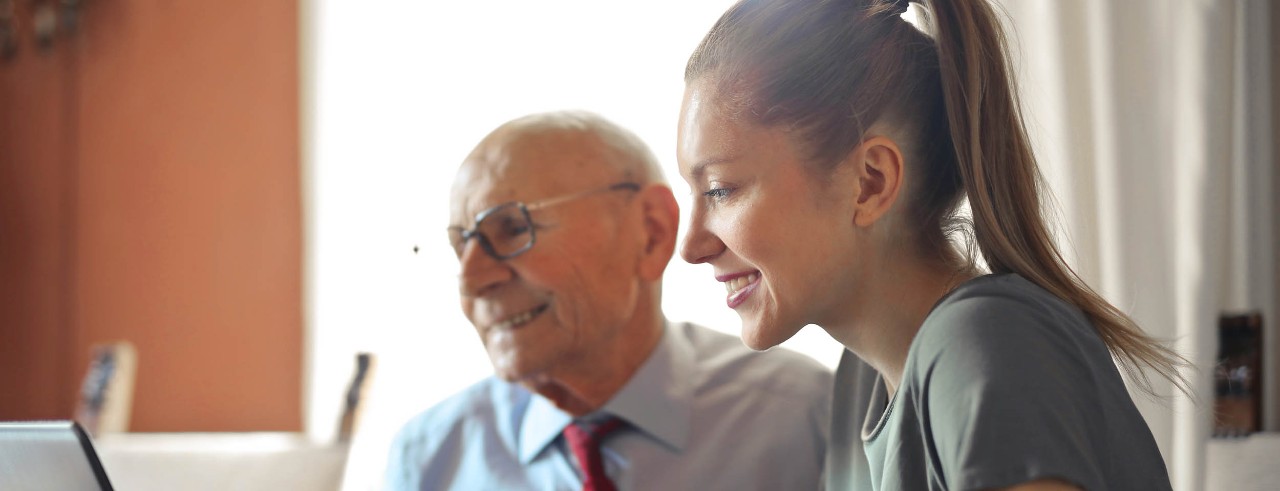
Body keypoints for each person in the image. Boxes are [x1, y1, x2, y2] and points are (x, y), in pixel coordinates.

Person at [676, 0, 1181, 490]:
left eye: (720, 189)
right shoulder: (863, 383)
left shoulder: (984, 344)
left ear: (870, 182)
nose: (692, 246)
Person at [383, 110, 832, 490]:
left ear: (650, 233)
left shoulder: (806, 419)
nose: (472, 279)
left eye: (514, 229)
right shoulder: (429, 459)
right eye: (461, 245)